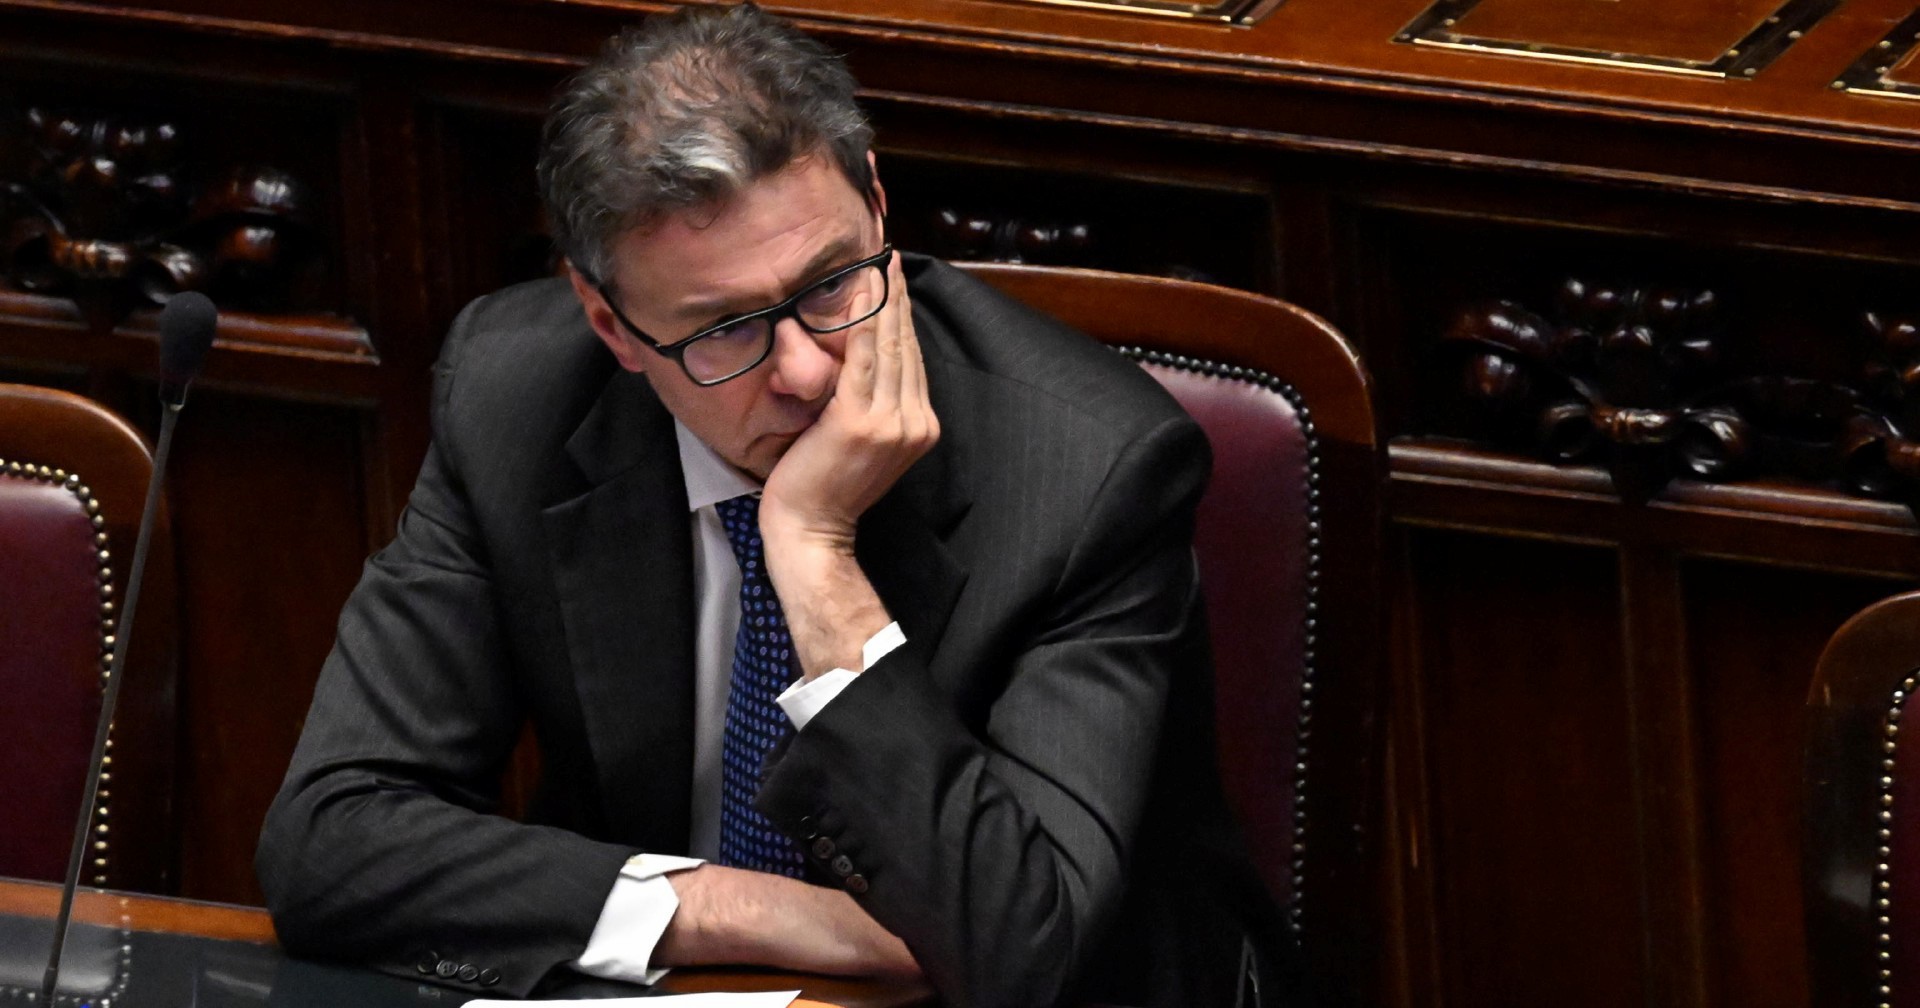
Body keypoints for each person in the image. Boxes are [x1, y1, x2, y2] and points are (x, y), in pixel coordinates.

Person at [256, 5, 1298, 1006]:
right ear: (610, 325)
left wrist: (812, 551)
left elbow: (1018, 954)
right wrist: (739, 911)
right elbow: (328, 842)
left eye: (832, 284)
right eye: (724, 330)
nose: (805, 372)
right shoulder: (513, 395)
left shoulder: (1088, 471)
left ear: (876, 204)